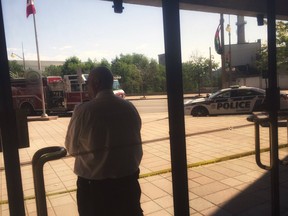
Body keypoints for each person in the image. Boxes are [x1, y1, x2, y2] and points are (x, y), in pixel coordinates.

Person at [65, 66, 143, 216]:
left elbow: (72, 148)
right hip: (128, 183)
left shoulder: (84, 111)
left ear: (96, 83)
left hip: (95, 188)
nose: (86, 88)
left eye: (87, 83)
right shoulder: (129, 107)